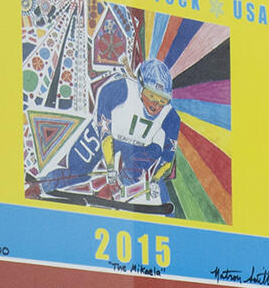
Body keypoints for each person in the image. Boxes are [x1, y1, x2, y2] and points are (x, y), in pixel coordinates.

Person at [48, 57, 182, 207]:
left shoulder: (171, 118)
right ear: (140, 87)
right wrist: (110, 166)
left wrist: (156, 180)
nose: (155, 105)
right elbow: (104, 129)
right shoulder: (120, 89)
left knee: (149, 154)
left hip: (138, 145)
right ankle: (41, 186)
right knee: (78, 170)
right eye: (151, 95)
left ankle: (110, 192)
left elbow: (167, 159)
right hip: (107, 134)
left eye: (162, 100)